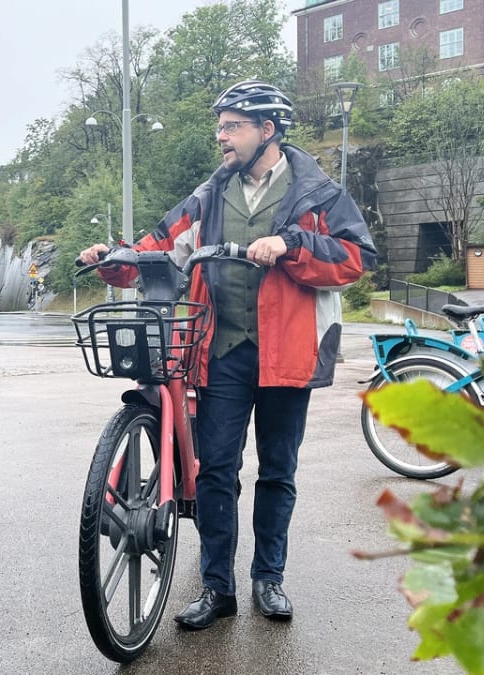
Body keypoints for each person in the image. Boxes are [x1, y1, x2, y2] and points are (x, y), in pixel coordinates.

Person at [79, 80, 377, 630]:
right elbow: (161, 245)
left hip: (289, 350)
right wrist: (113, 260)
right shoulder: (211, 194)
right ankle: (218, 586)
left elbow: (356, 258)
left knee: (278, 470)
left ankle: (269, 578)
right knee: (217, 469)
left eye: (232, 125)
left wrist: (292, 246)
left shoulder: (317, 192)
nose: (221, 136)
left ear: (267, 130)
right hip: (221, 348)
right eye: (220, 126)